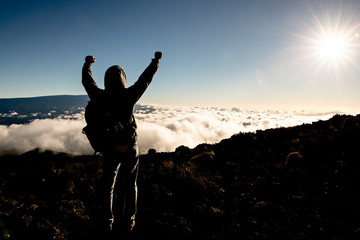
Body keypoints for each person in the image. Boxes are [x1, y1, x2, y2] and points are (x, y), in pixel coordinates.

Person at [82, 51, 162, 233]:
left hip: (109, 148)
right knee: (130, 184)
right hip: (129, 146)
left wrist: (88, 63)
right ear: (123, 79)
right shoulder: (130, 95)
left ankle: (107, 221)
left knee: (108, 186)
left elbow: (86, 81)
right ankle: (129, 221)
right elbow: (146, 79)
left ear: (106, 80)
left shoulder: (99, 96)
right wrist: (156, 61)